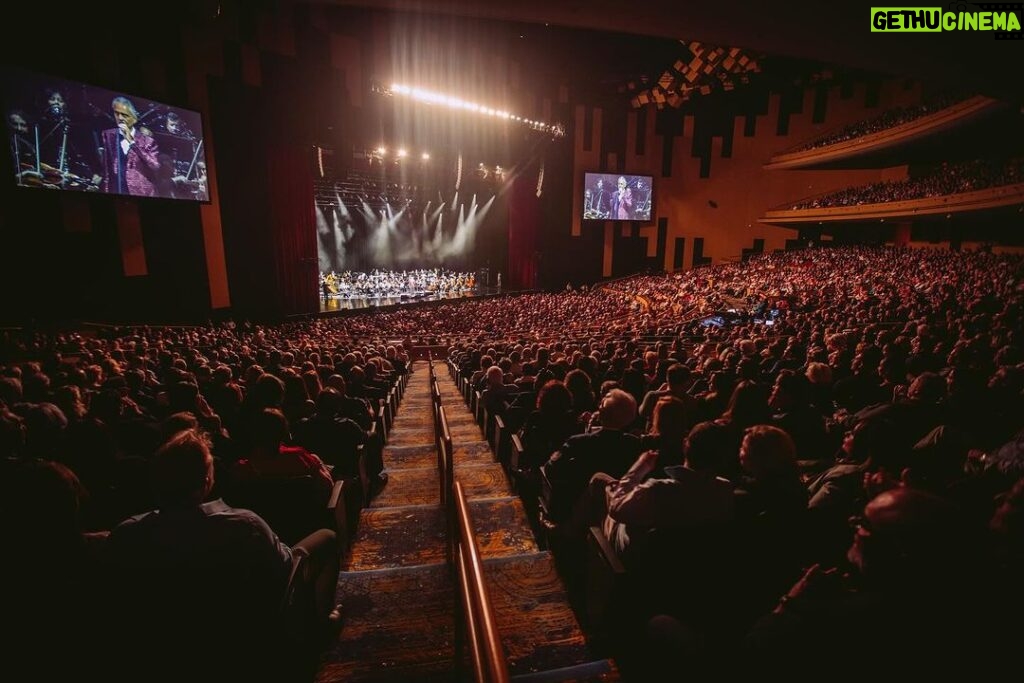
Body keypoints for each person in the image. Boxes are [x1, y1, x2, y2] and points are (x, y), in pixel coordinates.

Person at [100, 96, 160, 196]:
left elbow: (155, 166)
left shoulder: (147, 141)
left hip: (141, 192)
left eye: (124, 115)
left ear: (133, 118)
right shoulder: (108, 135)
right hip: (116, 189)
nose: (120, 118)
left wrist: (132, 142)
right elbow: (107, 167)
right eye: (116, 113)